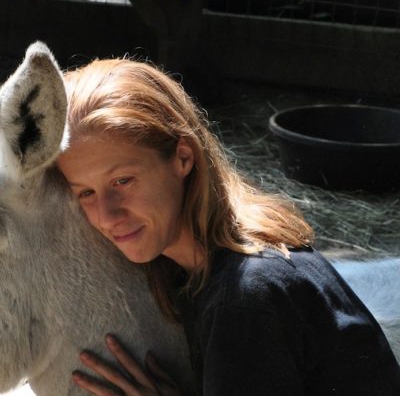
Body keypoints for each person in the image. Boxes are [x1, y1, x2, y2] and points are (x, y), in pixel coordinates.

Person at [55, 58, 400, 396]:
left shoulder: (246, 295)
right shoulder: (196, 265)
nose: (106, 215)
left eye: (123, 181)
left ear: (183, 158)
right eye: (85, 192)